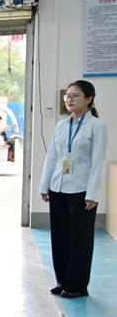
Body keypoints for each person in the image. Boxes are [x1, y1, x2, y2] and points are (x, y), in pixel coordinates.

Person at [39, 80, 108, 299]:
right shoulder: (61, 126)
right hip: (58, 187)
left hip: (81, 191)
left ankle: (77, 285)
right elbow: (52, 157)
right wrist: (45, 185)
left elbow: (98, 162)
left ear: (89, 99)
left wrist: (93, 193)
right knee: (60, 237)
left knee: (80, 239)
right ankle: (63, 281)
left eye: (75, 96)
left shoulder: (97, 126)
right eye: (67, 96)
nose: (69, 99)